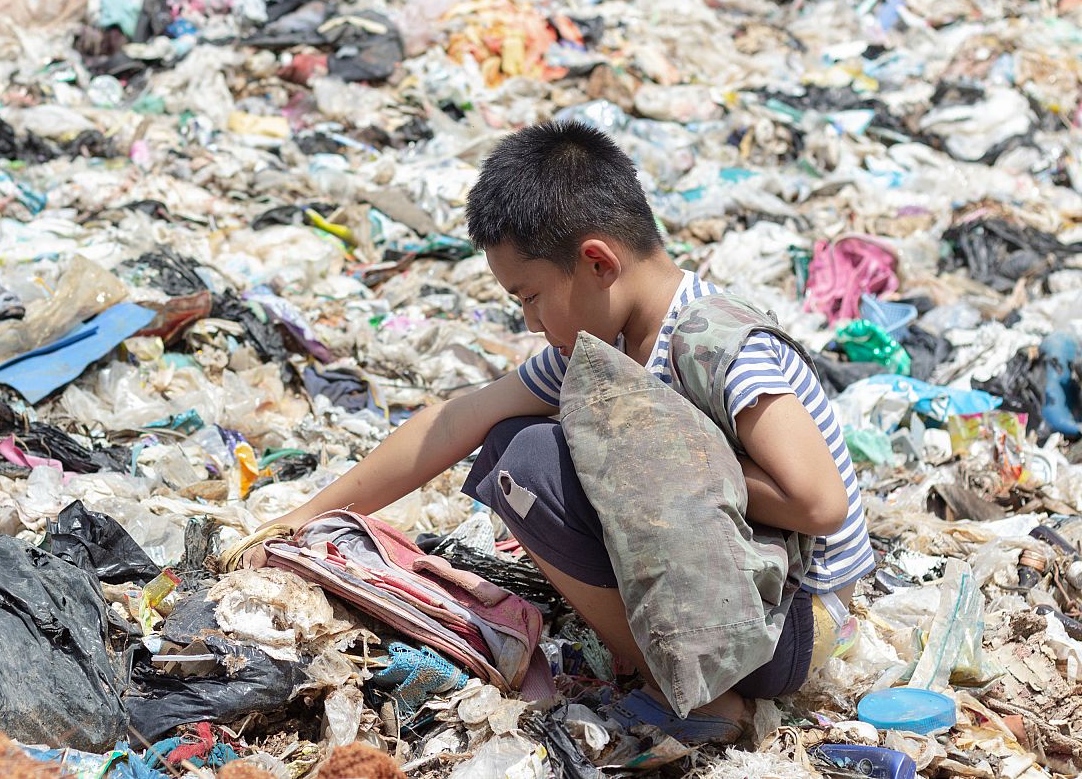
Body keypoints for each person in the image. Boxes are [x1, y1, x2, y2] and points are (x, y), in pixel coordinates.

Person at [248, 121, 874, 742]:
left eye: (531, 297)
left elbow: (819, 503)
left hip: (790, 627)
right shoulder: (600, 350)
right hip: (728, 592)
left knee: (533, 465)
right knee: (504, 445)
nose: (528, 322)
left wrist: (659, 466)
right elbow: (457, 420)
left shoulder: (722, 349)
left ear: (597, 262)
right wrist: (302, 519)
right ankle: (670, 661)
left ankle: (710, 698)